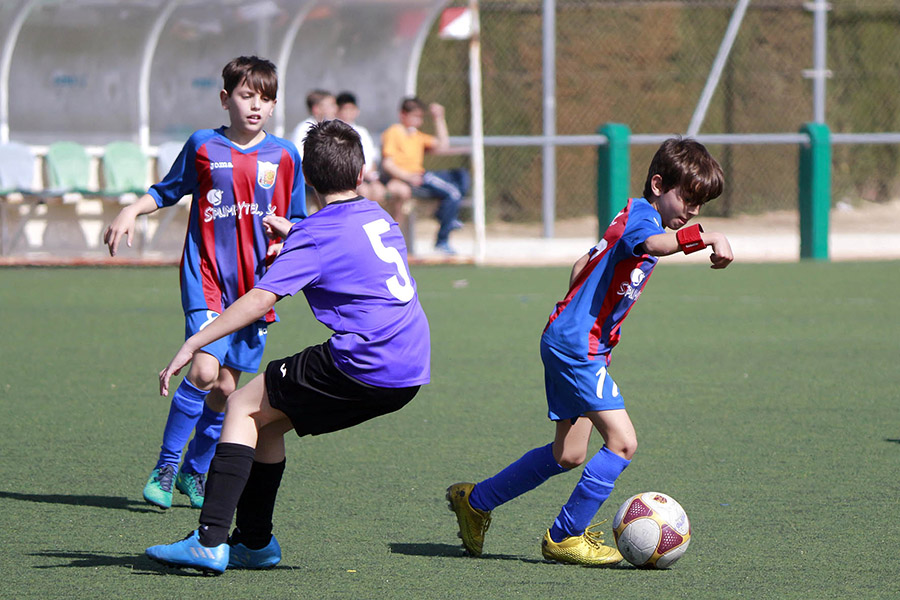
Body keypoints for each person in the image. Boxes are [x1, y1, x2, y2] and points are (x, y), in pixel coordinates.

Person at [145, 119, 431, 575]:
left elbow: (261, 299)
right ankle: (254, 543)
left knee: (241, 405)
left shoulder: (314, 235)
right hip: (410, 368)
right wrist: (295, 233)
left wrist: (195, 342)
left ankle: (208, 540)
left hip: (363, 362)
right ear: (361, 174)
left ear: (308, 178)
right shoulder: (378, 214)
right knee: (268, 422)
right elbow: (341, 242)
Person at [446, 138, 733, 565]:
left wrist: (575, 313)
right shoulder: (644, 219)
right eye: (687, 199)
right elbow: (655, 246)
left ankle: (476, 501)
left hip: (572, 341)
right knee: (622, 442)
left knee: (569, 454)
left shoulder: (631, 215)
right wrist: (708, 237)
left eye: (700, 206)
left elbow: (582, 264)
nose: (692, 211)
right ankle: (565, 536)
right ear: (658, 185)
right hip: (579, 348)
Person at [103, 56, 307, 511]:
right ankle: (165, 466)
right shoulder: (203, 145)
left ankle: (194, 469)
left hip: (256, 290)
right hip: (207, 278)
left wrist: (285, 238)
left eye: (266, 98)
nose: (256, 106)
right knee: (203, 371)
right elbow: (166, 190)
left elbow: (297, 219)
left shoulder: (286, 155)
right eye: (247, 96)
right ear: (225, 98)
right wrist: (130, 209)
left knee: (226, 389)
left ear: (275, 106)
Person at [381, 96, 470, 255]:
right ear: (403, 115)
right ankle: (442, 239)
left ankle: (445, 214)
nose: (419, 121)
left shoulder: (416, 135)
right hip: (413, 179)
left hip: (421, 176)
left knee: (461, 176)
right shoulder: (394, 132)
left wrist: (439, 118)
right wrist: (408, 177)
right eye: (415, 116)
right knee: (453, 193)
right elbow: (388, 163)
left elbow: (443, 145)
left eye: (421, 117)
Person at [336, 91, 386, 204]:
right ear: (338, 110)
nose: (348, 113)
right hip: (348, 178)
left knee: (379, 191)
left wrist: (370, 174)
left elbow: (372, 157)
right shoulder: (335, 131)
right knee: (364, 192)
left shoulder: (362, 132)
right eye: (345, 109)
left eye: (351, 109)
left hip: (365, 176)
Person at [291, 89, 337, 158]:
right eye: (331, 105)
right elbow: (299, 156)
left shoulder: (335, 127)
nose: (336, 108)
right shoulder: (303, 129)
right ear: (316, 109)